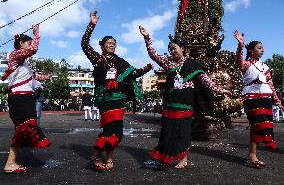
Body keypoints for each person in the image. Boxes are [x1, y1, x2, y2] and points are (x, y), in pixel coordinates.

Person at [139, 26, 231, 170]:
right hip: (170, 104)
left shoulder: (192, 65)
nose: (172, 51)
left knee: (183, 133)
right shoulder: (168, 62)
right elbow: (153, 54)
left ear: (183, 49)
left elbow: (205, 80)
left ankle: (184, 159)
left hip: (185, 105)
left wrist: (220, 90)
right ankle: (165, 158)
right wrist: (147, 38)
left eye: (175, 48)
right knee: (167, 132)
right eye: (170, 49)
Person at [81, 11, 153, 171]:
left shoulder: (121, 61)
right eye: (109, 42)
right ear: (102, 46)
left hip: (119, 99)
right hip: (105, 99)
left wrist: (146, 69)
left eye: (114, 42)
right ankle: (96, 156)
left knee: (117, 130)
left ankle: (109, 158)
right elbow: (84, 44)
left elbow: (133, 73)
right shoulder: (98, 59)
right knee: (108, 129)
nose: (112, 44)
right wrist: (91, 25)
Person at [1, 25, 50, 173]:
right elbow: (33, 49)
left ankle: (11, 163)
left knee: (22, 131)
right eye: (27, 42)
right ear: (21, 44)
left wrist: (46, 77)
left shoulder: (25, 62)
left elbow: (33, 76)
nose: (30, 44)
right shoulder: (15, 54)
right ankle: (10, 164)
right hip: (19, 97)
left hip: (26, 97)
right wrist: (36, 35)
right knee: (25, 127)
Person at [233, 30, 283, 168]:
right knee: (257, 125)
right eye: (259, 48)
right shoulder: (246, 64)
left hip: (266, 98)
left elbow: (271, 85)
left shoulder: (265, 67)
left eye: (263, 48)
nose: (262, 50)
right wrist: (240, 46)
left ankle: (252, 155)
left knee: (262, 126)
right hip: (252, 98)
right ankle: (252, 155)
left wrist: (278, 102)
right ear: (251, 50)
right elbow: (238, 61)